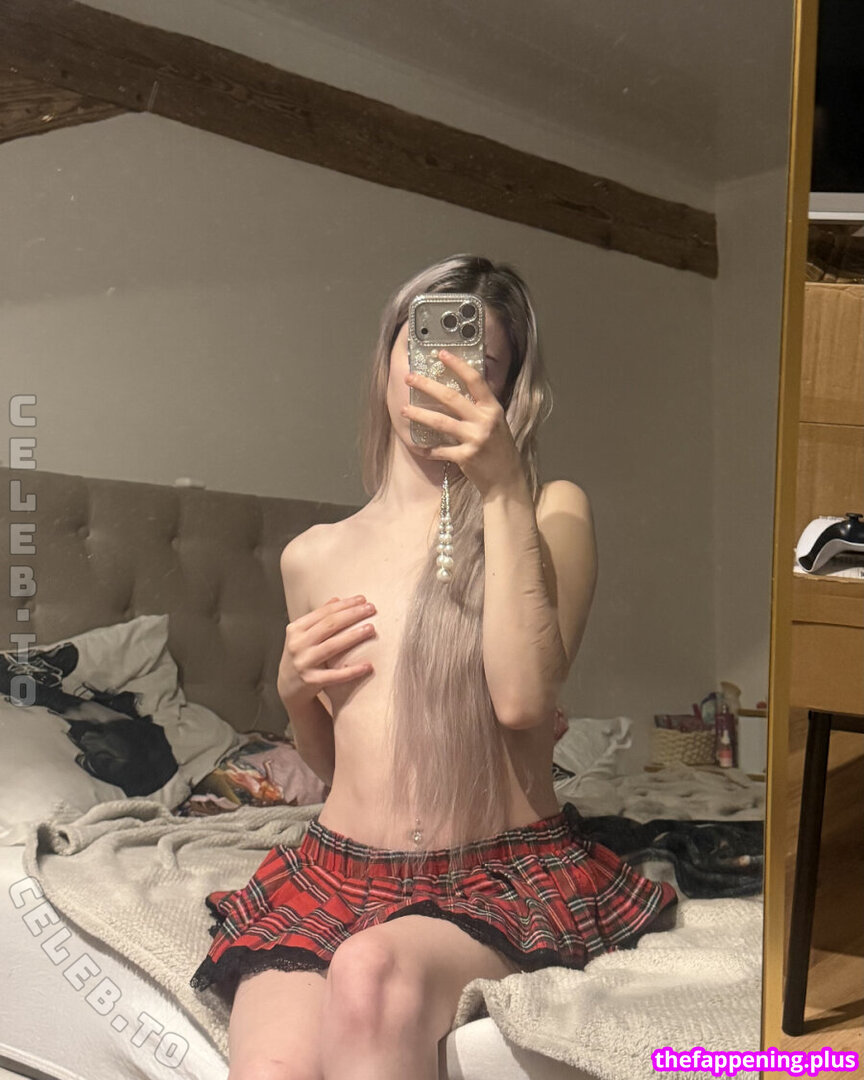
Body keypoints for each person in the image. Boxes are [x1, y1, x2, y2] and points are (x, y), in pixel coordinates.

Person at [189, 254, 678, 1080]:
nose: (441, 375)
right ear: (388, 356)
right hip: (333, 872)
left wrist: (502, 488)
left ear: (508, 389)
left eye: (477, 362)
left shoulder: (549, 512)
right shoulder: (313, 554)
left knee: (370, 973)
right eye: (423, 348)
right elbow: (337, 768)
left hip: (495, 874)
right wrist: (293, 692)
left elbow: (523, 701)